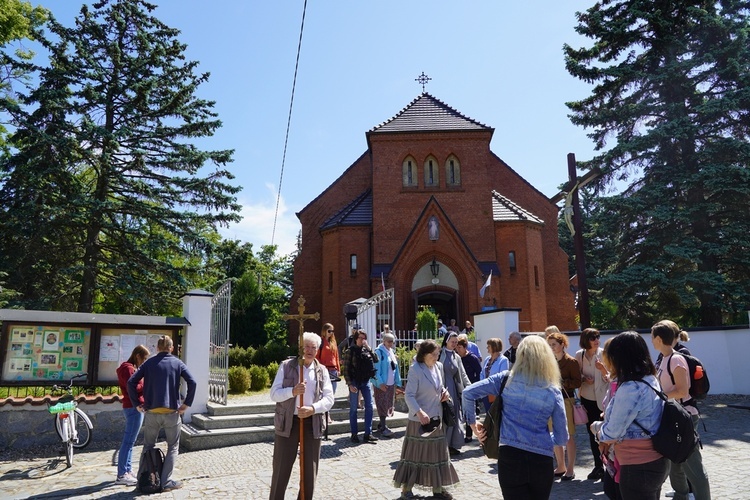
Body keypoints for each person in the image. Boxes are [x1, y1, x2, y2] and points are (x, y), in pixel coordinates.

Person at [463, 335, 569, 500]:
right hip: (541, 459)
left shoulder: (505, 379)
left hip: (510, 455)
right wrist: (547, 440)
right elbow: (562, 437)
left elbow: (468, 393)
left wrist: (472, 424)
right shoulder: (553, 390)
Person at [590, 332, 668, 500]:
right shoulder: (649, 378)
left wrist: (597, 430)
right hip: (655, 461)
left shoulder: (630, 388)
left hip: (638, 466)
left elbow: (613, 432)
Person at [269, 331, 334, 500]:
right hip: (288, 422)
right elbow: (274, 394)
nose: (310, 350)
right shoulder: (287, 366)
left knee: (309, 472)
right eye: (306, 346)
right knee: (281, 469)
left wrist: (313, 408)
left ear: (318, 350)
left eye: (313, 347)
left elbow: (329, 398)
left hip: (312, 422)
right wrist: (292, 391)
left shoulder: (322, 371)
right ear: (300, 347)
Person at [651, 320, 711, 500]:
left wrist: (658, 396)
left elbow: (682, 391)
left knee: (693, 464)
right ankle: (681, 496)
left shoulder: (676, 359)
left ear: (659, 339)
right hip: (673, 416)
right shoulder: (665, 358)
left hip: (684, 417)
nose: (651, 340)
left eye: (653, 336)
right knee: (674, 461)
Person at [128, 335, 196, 492]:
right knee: (173, 446)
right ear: (171, 348)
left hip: (151, 412)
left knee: (148, 446)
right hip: (172, 412)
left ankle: (142, 481)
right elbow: (192, 382)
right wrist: (186, 404)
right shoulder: (177, 363)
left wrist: (137, 404)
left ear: (157, 348)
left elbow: (131, 382)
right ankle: (165, 482)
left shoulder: (148, 363)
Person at [393, 340, 459, 500]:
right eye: (434, 354)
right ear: (425, 355)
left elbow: (440, 387)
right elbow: (408, 395)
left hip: (437, 418)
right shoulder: (415, 369)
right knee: (415, 455)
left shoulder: (439, 367)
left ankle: (438, 489)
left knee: (438, 454)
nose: (437, 357)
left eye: (438, 354)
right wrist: (419, 412)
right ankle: (406, 489)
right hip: (420, 421)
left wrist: (445, 394)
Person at [575, 328, 610, 481]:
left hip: (603, 399)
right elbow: (577, 375)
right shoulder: (579, 355)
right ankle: (598, 466)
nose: (596, 340)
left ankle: (609, 466)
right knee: (592, 432)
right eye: (592, 338)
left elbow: (611, 378)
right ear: (585, 340)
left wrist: (602, 370)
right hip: (587, 398)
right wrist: (584, 378)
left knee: (606, 432)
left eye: (598, 337)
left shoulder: (604, 353)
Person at [547, 331, 581, 480]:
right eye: (549, 345)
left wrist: (562, 383)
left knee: (568, 435)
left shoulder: (571, 362)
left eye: (554, 344)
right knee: (554, 434)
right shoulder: (549, 361)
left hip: (566, 400)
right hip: (550, 400)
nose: (552, 347)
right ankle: (561, 465)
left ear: (562, 344)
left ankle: (571, 469)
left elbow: (578, 382)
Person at [115, 345, 150, 486]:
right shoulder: (129, 369)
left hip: (132, 407)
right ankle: (122, 474)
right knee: (128, 441)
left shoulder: (128, 368)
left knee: (130, 442)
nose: (145, 361)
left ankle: (127, 470)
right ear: (137, 356)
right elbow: (133, 387)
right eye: (145, 358)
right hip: (134, 407)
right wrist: (146, 383)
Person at [439, 331, 471, 455]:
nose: (454, 344)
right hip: (442, 388)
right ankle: (443, 445)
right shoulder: (440, 353)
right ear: (446, 341)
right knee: (445, 417)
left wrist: (469, 388)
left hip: (453, 389)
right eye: (452, 342)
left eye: (456, 342)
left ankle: (452, 444)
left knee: (454, 417)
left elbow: (462, 374)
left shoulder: (456, 357)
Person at [345, 329, 379, 443]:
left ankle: (367, 434)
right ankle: (354, 433)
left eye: (364, 338)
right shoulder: (350, 350)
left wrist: (369, 348)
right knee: (354, 408)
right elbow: (346, 370)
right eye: (361, 338)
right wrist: (349, 384)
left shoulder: (367, 350)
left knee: (369, 406)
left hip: (365, 381)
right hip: (354, 381)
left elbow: (376, 359)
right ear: (356, 339)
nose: (363, 340)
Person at [372, 332, 402, 437]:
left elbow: (395, 369)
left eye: (393, 342)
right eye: (389, 341)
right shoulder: (379, 352)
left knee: (388, 403)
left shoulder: (391, 352)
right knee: (382, 404)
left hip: (391, 383)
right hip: (382, 383)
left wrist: (398, 383)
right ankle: (384, 427)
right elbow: (376, 369)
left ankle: (381, 425)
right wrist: (380, 383)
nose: (391, 343)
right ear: (383, 341)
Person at [455, 337, 481, 442]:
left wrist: (474, 385)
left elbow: (479, 372)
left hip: (470, 387)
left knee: (469, 411)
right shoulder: (457, 358)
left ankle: (469, 435)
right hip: (460, 387)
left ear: (465, 347)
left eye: (460, 347)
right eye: (456, 348)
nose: (458, 350)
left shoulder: (472, 358)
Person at [480, 338, 510, 411]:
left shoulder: (503, 360)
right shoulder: (487, 359)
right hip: (485, 392)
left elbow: (503, 376)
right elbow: (482, 373)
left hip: (495, 393)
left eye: (489, 346)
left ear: (494, 347)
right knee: (488, 414)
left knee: (495, 415)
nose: (487, 348)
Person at [316, 323, 340, 393]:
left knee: (333, 391)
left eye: (332, 331)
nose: (331, 333)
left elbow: (336, 356)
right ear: (324, 331)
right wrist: (320, 367)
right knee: (325, 390)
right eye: (329, 331)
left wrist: (338, 369)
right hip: (325, 369)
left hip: (333, 369)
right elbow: (317, 357)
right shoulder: (320, 342)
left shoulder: (333, 342)